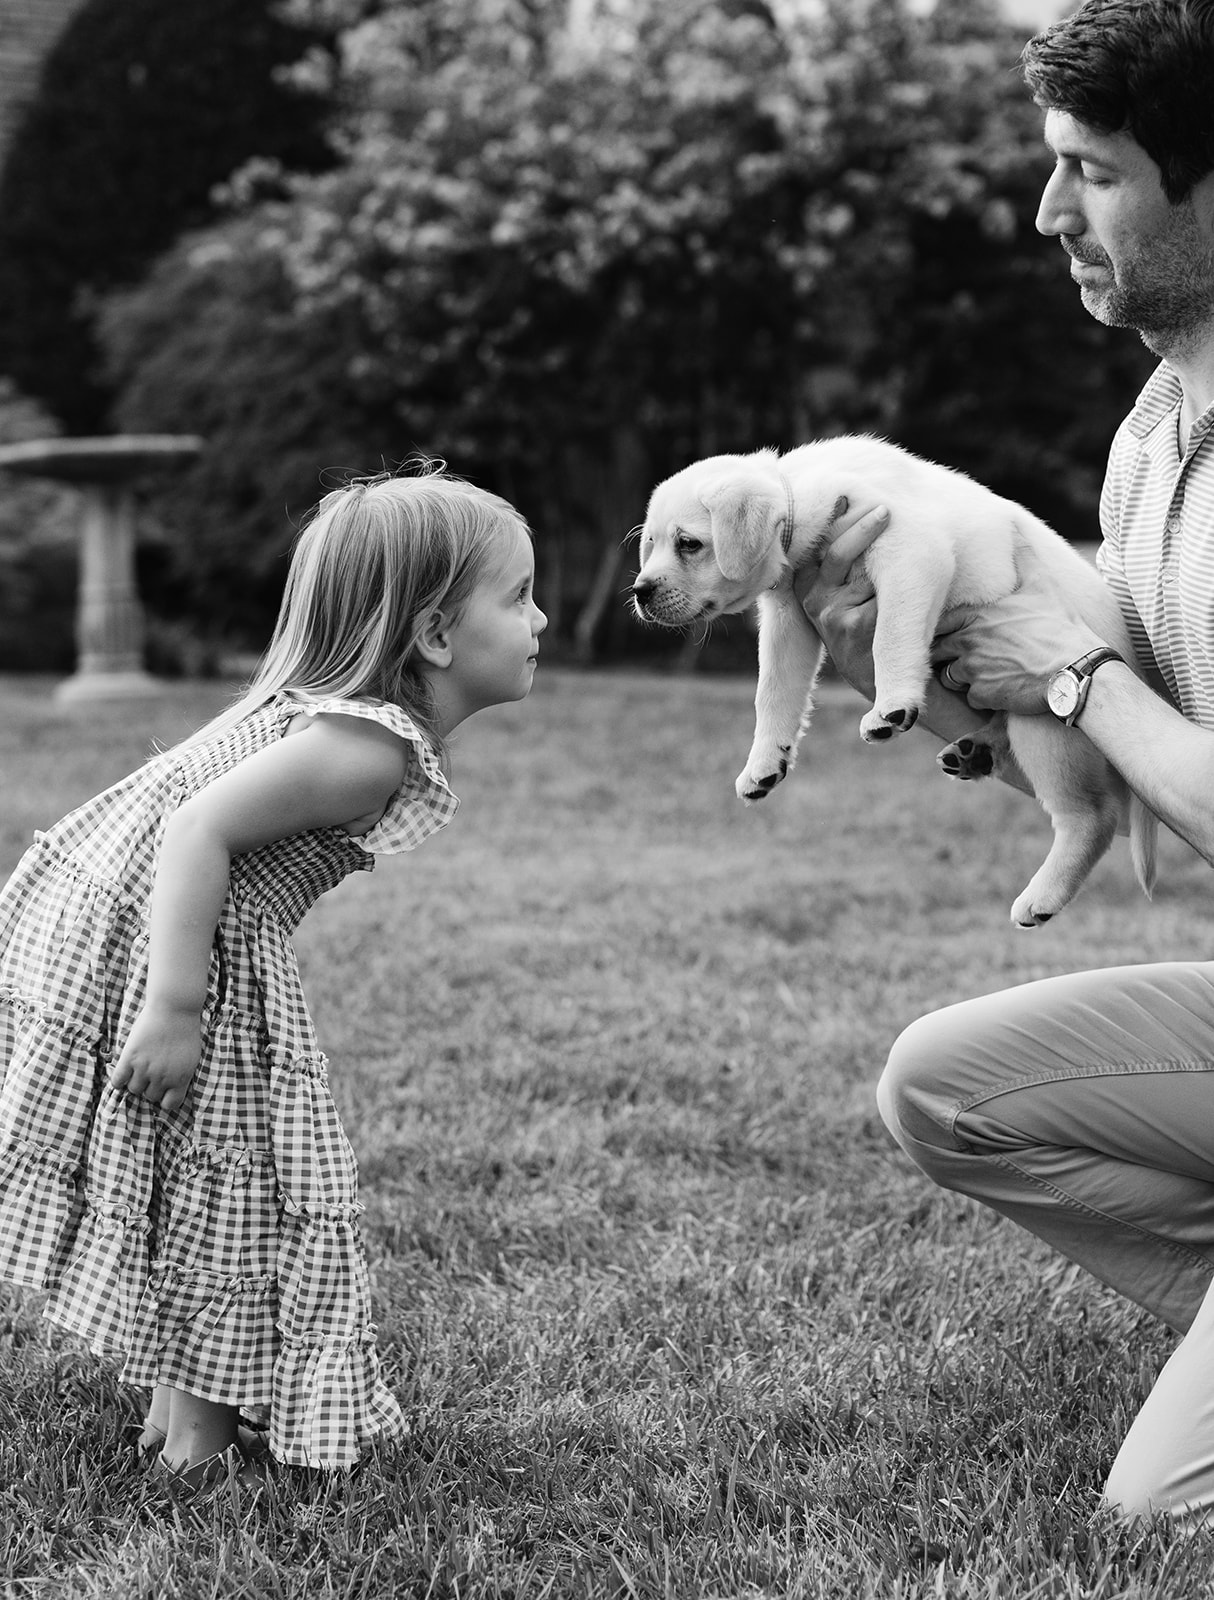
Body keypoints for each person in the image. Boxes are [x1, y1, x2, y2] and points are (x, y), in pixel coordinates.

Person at [797, 0, 1214, 1521]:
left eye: (1090, 172)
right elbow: (1122, 737)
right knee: (943, 1087)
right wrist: (939, 688)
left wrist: (1071, 669)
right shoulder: (1151, 436)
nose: (1046, 212)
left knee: (1155, 1519)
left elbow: (1103, 695)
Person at [0, 466, 547, 1490]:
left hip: (150, 928)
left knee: (199, 1174)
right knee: (234, 1184)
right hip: (178, 949)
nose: (540, 619)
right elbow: (194, 829)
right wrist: (177, 1004)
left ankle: (177, 1415)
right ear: (434, 634)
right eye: (518, 596)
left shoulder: (337, 722)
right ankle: (197, 1447)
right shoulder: (363, 750)